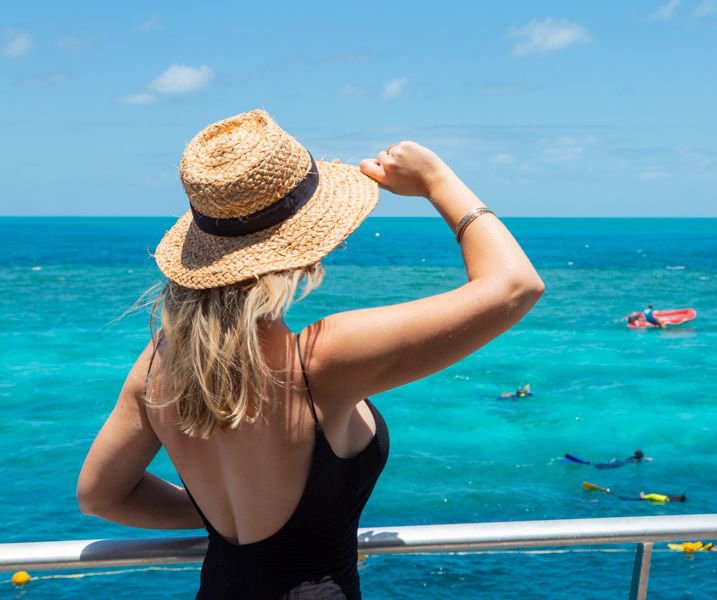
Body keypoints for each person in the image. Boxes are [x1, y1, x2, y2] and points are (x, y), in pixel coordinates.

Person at [77, 110, 544, 599]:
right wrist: (436, 180)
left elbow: (100, 496)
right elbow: (515, 286)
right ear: (306, 246)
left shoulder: (160, 364)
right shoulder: (323, 359)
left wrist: (215, 507)